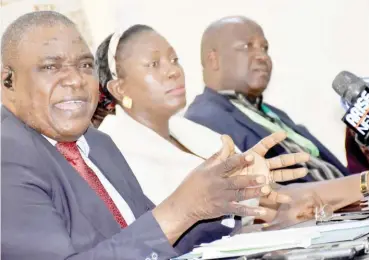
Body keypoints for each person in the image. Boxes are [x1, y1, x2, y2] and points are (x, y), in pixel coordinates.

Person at [1, 11, 307, 260]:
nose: (76, 80)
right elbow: (162, 224)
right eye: (50, 67)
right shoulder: (8, 155)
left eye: (85, 65)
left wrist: (230, 206)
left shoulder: (97, 143)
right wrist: (182, 207)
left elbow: (149, 238)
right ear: (8, 82)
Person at [93, 25, 313, 224]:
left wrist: (259, 188)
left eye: (174, 60)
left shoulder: (190, 131)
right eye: (154, 64)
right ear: (119, 89)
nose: (174, 71)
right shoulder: (115, 152)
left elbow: (261, 204)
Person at [185, 16, 350, 182]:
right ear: (213, 60)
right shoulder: (203, 119)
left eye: (264, 48)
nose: (262, 56)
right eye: (246, 46)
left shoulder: (275, 113)